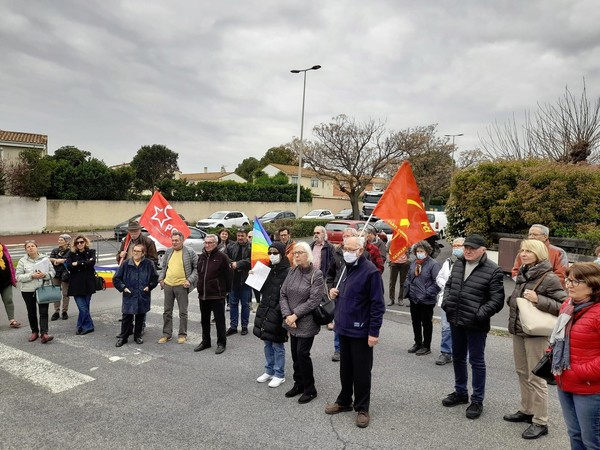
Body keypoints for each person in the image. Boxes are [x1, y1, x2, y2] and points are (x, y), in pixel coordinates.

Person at [504, 239, 567, 439]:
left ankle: (541, 421)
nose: (523, 254)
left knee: (537, 377)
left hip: (536, 334)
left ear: (538, 253)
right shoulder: (523, 273)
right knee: (522, 372)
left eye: (528, 251)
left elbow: (564, 305)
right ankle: (527, 410)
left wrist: (538, 300)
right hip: (519, 329)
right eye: (522, 250)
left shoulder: (548, 278)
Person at [441, 234, 505, 420]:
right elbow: (449, 285)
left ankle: (477, 400)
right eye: (466, 247)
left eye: (473, 248)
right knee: (458, 357)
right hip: (456, 319)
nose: (468, 250)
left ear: (483, 250)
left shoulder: (494, 270)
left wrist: (479, 314)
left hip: (476, 324)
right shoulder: (459, 263)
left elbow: (497, 300)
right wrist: (447, 303)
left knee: (476, 361)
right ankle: (460, 393)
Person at [326, 236, 385, 428]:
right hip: (343, 327)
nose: (347, 252)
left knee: (361, 372)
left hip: (361, 330)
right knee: (346, 369)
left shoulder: (371, 272)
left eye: (351, 249)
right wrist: (332, 292)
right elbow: (339, 289)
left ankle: (362, 408)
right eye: (345, 248)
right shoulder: (344, 267)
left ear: (360, 251)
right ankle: (344, 400)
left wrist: (373, 332)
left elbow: (377, 305)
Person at [552, 262, 600, 450]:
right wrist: (552, 353)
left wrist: (579, 372)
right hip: (564, 380)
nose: (569, 285)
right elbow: (559, 337)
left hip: (589, 387)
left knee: (592, 441)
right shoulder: (568, 305)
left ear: (593, 284)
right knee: (574, 434)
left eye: (576, 281)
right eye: (568, 280)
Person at [280, 241, 323, 404]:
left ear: (308, 254)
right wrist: (287, 315)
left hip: (306, 322)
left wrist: (295, 315)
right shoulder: (292, 272)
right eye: (295, 253)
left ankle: (310, 389)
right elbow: (282, 294)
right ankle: (298, 383)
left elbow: (314, 301)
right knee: (295, 355)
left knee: (302, 354)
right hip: (291, 322)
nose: (296, 255)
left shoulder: (316, 274)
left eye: (300, 252)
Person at [253, 241, 291, 387]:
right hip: (266, 309)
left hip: (279, 311)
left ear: (282, 254)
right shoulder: (267, 269)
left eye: (275, 253)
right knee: (267, 341)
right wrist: (254, 276)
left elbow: (288, 294)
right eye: (270, 253)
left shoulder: (288, 271)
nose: (272, 255)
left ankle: (279, 374)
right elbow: (260, 290)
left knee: (277, 344)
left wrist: (283, 312)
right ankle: (269, 370)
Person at [113, 244, 159, 347]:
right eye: (134, 251)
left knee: (140, 316)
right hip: (129, 294)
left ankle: (137, 335)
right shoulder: (126, 264)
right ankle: (123, 337)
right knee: (126, 317)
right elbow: (116, 278)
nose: (135, 253)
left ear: (143, 253)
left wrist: (149, 286)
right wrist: (123, 287)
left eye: (138, 251)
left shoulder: (148, 264)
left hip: (143, 294)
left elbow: (155, 278)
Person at [158, 231, 198, 344]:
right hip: (168, 285)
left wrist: (189, 280)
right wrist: (161, 279)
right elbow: (164, 266)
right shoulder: (168, 251)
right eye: (173, 240)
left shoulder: (189, 252)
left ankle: (182, 334)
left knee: (183, 312)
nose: (174, 242)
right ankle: (166, 334)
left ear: (182, 241)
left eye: (177, 240)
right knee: (167, 311)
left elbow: (196, 268)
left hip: (182, 286)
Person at [195, 234, 232, 355]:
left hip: (217, 295)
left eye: (210, 243)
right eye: (206, 243)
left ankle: (221, 343)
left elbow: (229, 275)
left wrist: (226, 291)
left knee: (220, 321)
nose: (207, 245)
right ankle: (206, 341)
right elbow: (199, 274)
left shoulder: (222, 257)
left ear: (215, 244)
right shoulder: (201, 257)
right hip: (203, 295)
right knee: (204, 320)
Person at [327, 227, 359, 361]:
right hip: (338, 293)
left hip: (354, 294)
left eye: (348, 236)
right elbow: (330, 274)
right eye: (344, 236)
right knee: (338, 321)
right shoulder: (337, 252)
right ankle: (338, 349)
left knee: (353, 321)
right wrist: (330, 288)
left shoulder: (361, 254)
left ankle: (353, 348)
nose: (344, 238)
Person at [405, 240, 441, 356]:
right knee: (415, 321)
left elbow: (438, 282)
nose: (419, 253)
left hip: (426, 299)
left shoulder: (433, 264)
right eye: (417, 251)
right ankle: (417, 343)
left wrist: (426, 293)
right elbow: (409, 277)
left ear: (427, 252)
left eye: (422, 251)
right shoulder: (414, 263)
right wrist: (409, 290)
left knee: (426, 323)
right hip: (414, 298)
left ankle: (426, 346)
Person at [16, 240, 55, 342]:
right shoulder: (22, 261)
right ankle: (34, 332)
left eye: (32, 246)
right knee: (31, 312)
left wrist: (45, 275)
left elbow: (53, 272)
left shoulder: (45, 259)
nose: (30, 248)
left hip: (42, 288)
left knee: (43, 311)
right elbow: (18, 277)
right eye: (28, 247)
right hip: (28, 290)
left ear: (37, 247)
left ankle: (44, 334)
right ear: (26, 250)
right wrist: (31, 276)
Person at [435, 238, 464, 365]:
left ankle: (460, 353)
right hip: (447, 299)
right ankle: (445, 352)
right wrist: (446, 285)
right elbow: (439, 277)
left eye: (459, 246)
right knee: (446, 327)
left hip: (462, 301)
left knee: (461, 328)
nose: (456, 248)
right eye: (454, 246)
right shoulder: (448, 262)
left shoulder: (468, 263)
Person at [66, 235, 97, 335]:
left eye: (81, 242)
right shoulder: (71, 254)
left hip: (88, 283)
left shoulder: (91, 252)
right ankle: (89, 326)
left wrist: (78, 263)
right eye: (77, 243)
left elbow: (91, 263)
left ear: (85, 242)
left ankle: (80, 326)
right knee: (82, 307)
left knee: (85, 306)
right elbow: (69, 266)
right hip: (76, 284)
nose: (79, 244)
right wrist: (84, 264)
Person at [225, 228, 252, 336]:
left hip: (246, 280)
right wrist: (233, 264)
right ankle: (233, 326)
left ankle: (244, 326)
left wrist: (239, 264)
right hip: (233, 280)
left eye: (242, 235)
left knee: (245, 304)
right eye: (238, 235)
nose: (240, 237)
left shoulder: (251, 247)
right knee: (233, 304)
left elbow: (252, 260)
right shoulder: (231, 246)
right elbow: (226, 257)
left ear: (246, 236)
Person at [49, 234, 71, 321]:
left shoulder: (70, 251)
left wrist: (62, 260)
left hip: (65, 274)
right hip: (56, 274)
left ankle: (64, 311)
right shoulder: (55, 250)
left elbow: (70, 259)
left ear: (67, 241)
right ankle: (56, 311)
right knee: (56, 293)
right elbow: (50, 259)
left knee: (65, 293)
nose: (59, 241)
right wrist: (56, 260)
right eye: (59, 240)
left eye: (61, 240)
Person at [0, 241, 21, 329]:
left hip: (6, 281)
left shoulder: (3, 249)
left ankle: (12, 320)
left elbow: (10, 264)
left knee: (8, 300)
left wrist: (13, 276)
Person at [388, 243, 409, 307]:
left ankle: (400, 299)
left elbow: (411, 251)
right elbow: (387, 250)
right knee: (392, 282)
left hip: (404, 263)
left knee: (403, 283)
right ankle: (391, 299)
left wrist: (408, 259)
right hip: (394, 263)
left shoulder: (406, 241)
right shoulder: (392, 241)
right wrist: (389, 260)